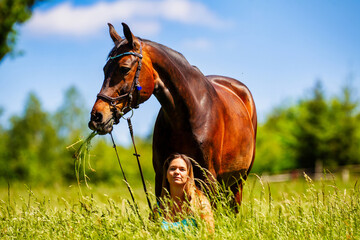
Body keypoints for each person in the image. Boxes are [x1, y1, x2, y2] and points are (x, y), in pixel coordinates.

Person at [153, 153, 214, 232]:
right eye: (172, 168)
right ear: (166, 175)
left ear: (188, 175)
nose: (177, 172)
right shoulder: (159, 208)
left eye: (182, 169)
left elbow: (209, 234)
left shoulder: (200, 203)